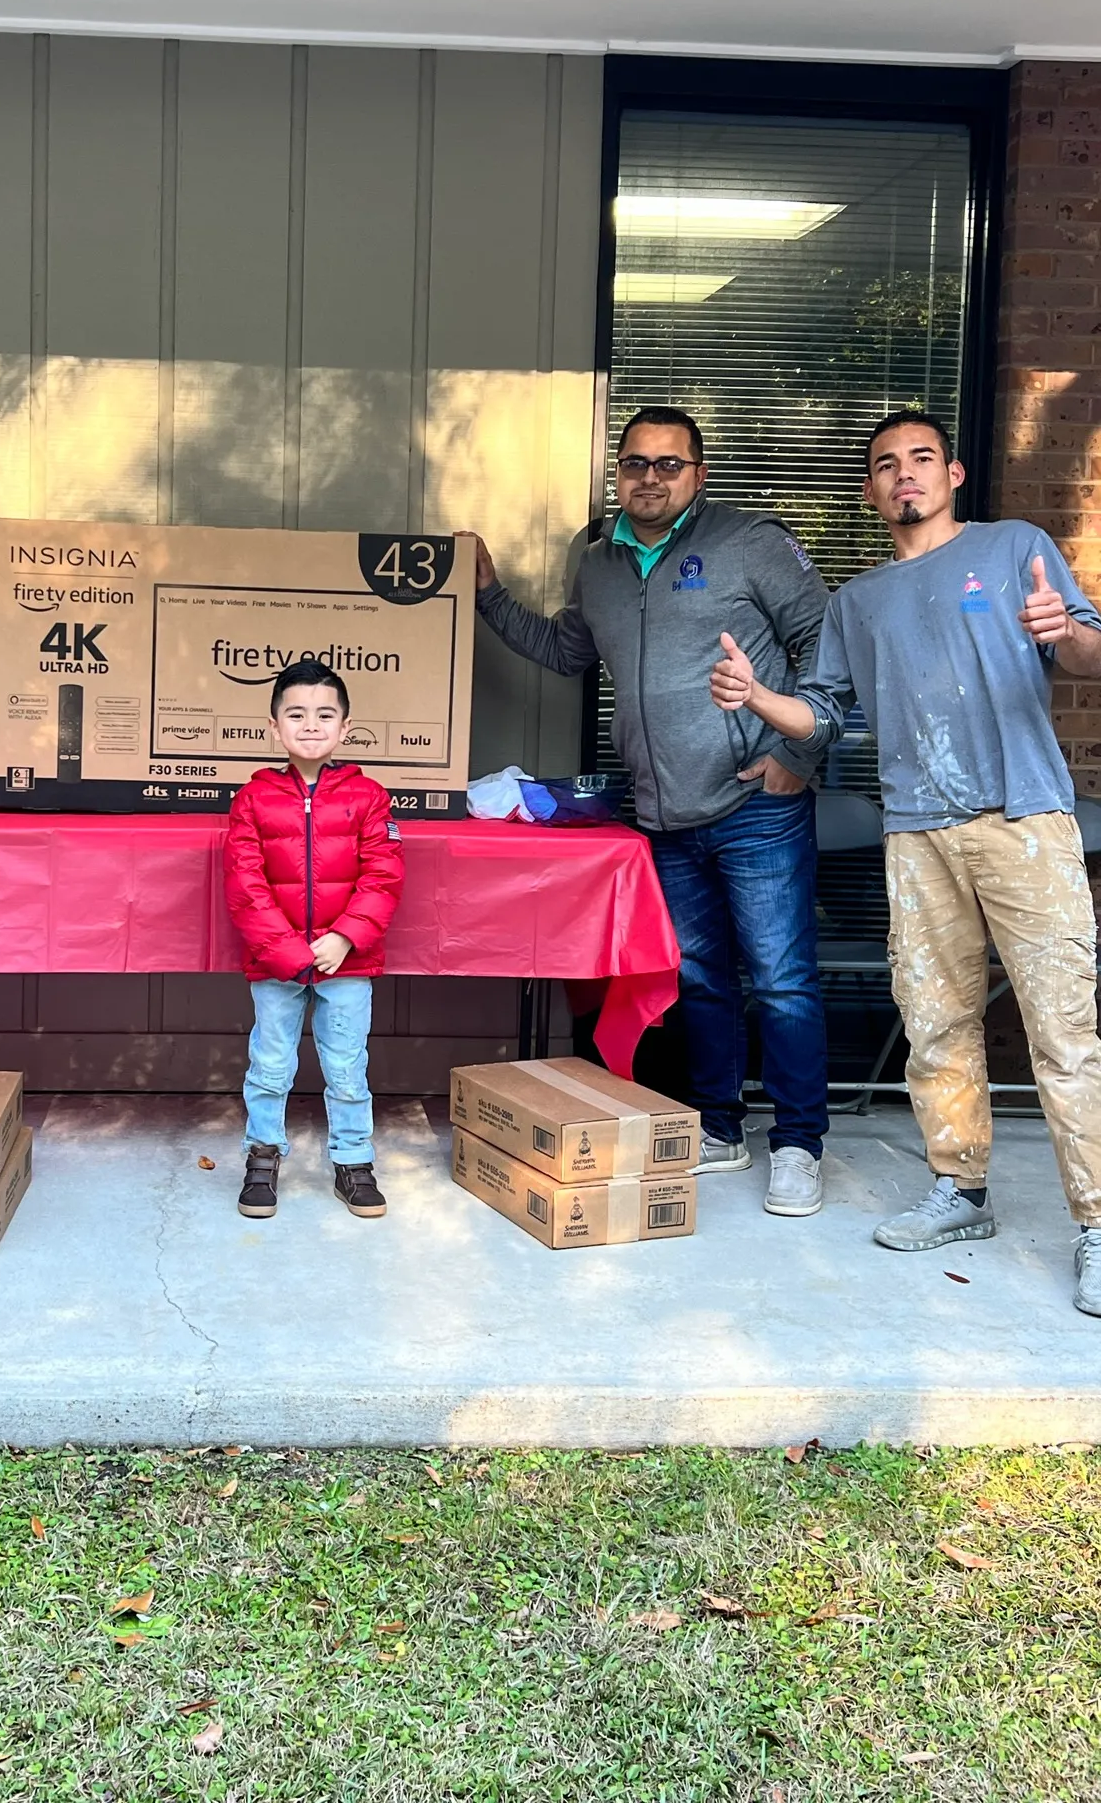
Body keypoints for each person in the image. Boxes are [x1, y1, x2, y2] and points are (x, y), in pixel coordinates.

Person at [710, 408, 1101, 1316]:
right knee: (936, 1021)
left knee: (1063, 1029)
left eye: (921, 459)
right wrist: (760, 697)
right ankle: (959, 1191)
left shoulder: (1014, 549)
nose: (905, 476)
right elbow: (827, 716)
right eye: (886, 466)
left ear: (954, 473)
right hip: (916, 832)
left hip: (1024, 821)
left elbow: (1088, 651)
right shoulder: (857, 603)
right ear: (869, 491)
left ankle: (1096, 1224)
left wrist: (1063, 631)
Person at [465, 406, 833, 1216]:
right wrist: (490, 596)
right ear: (619, 474)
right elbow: (568, 651)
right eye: (636, 463)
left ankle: (801, 1143)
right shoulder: (598, 563)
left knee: (780, 982)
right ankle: (723, 1130)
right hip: (662, 814)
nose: (650, 477)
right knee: (700, 980)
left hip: (754, 802)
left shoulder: (750, 543)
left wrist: (797, 754)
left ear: (698, 475)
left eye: (670, 464)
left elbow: (825, 640)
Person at [222, 659, 405, 1221]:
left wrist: (345, 938)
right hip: (276, 965)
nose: (310, 725)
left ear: (345, 727)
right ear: (274, 727)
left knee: (347, 1066)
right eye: (295, 714)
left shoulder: (369, 797)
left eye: (325, 715)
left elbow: (384, 874)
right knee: (270, 1064)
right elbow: (245, 884)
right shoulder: (253, 799)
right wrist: (288, 952)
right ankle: (262, 1156)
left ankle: (353, 1162)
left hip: (347, 963)